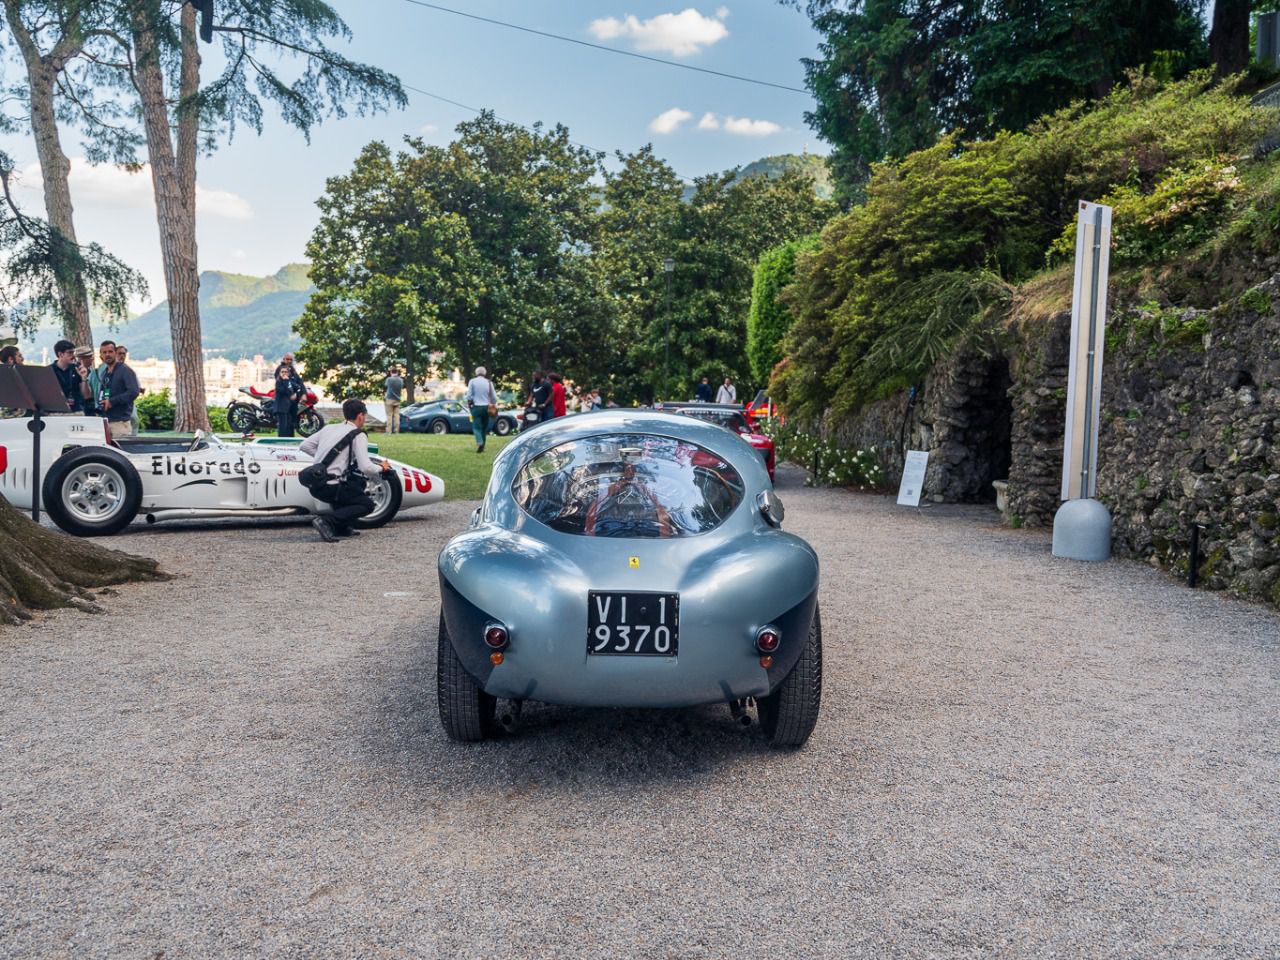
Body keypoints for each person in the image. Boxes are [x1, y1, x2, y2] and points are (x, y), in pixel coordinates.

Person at [298, 398, 392, 542]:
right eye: (364, 416)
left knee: (354, 486)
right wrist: (382, 467)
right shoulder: (358, 434)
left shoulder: (329, 428)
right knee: (366, 504)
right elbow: (366, 467)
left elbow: (304, 445)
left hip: (316, 484)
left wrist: (323, 462)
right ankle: (327, 521)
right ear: (360, 415)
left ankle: (342, 527)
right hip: (332, 487)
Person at [95, 340, 140, 439]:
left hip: (120, 423)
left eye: (110, 352)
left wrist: (112, 401)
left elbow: (133, 392)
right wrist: (104, 401)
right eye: (104, 352)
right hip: (106, 422)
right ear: (101, 355)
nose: (107, 355)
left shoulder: (125, 370)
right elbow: (106, 391)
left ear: (115, 353)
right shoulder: (105, 372)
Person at [465, 365, 497, 453]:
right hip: (487, 408)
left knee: (476, 427)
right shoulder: (489, 382)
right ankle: (482, 447)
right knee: (484, 427)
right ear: (485, 373)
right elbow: (494, 398)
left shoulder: (472, 381)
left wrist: (469, 402)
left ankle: (479, 442)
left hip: (476, 407)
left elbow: (469, 396)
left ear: (476, 373)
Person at [273, 353, 303, 437]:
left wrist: (296, 395)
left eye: (286, 372)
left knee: (290, 426)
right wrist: (286, 381)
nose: (284, 373)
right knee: (283, 427)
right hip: (281, 407)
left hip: (290, 406)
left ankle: (290, 441)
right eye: (282, 372)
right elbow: (283, 391)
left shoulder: (291, 380)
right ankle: (281, 443)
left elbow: (298, 387)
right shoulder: (279, 382)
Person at [49, 339, 84, 411]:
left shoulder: (77, 369)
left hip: (76, 409)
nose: (73, 356)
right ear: (60, 354)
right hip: (56, 411)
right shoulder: (49, 371)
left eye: (73, 352)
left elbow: (86, 395)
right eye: (70, 353)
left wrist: (84, 378)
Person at [384, 366, 404, 434]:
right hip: (397, 399)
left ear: (391, 372)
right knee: (397, 416)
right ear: (397, 372)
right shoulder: (401, 380)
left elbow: (386, 385)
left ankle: (388, 431)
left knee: (389, 415)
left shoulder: (389, 379)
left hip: (389, 399)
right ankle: (396, 431)